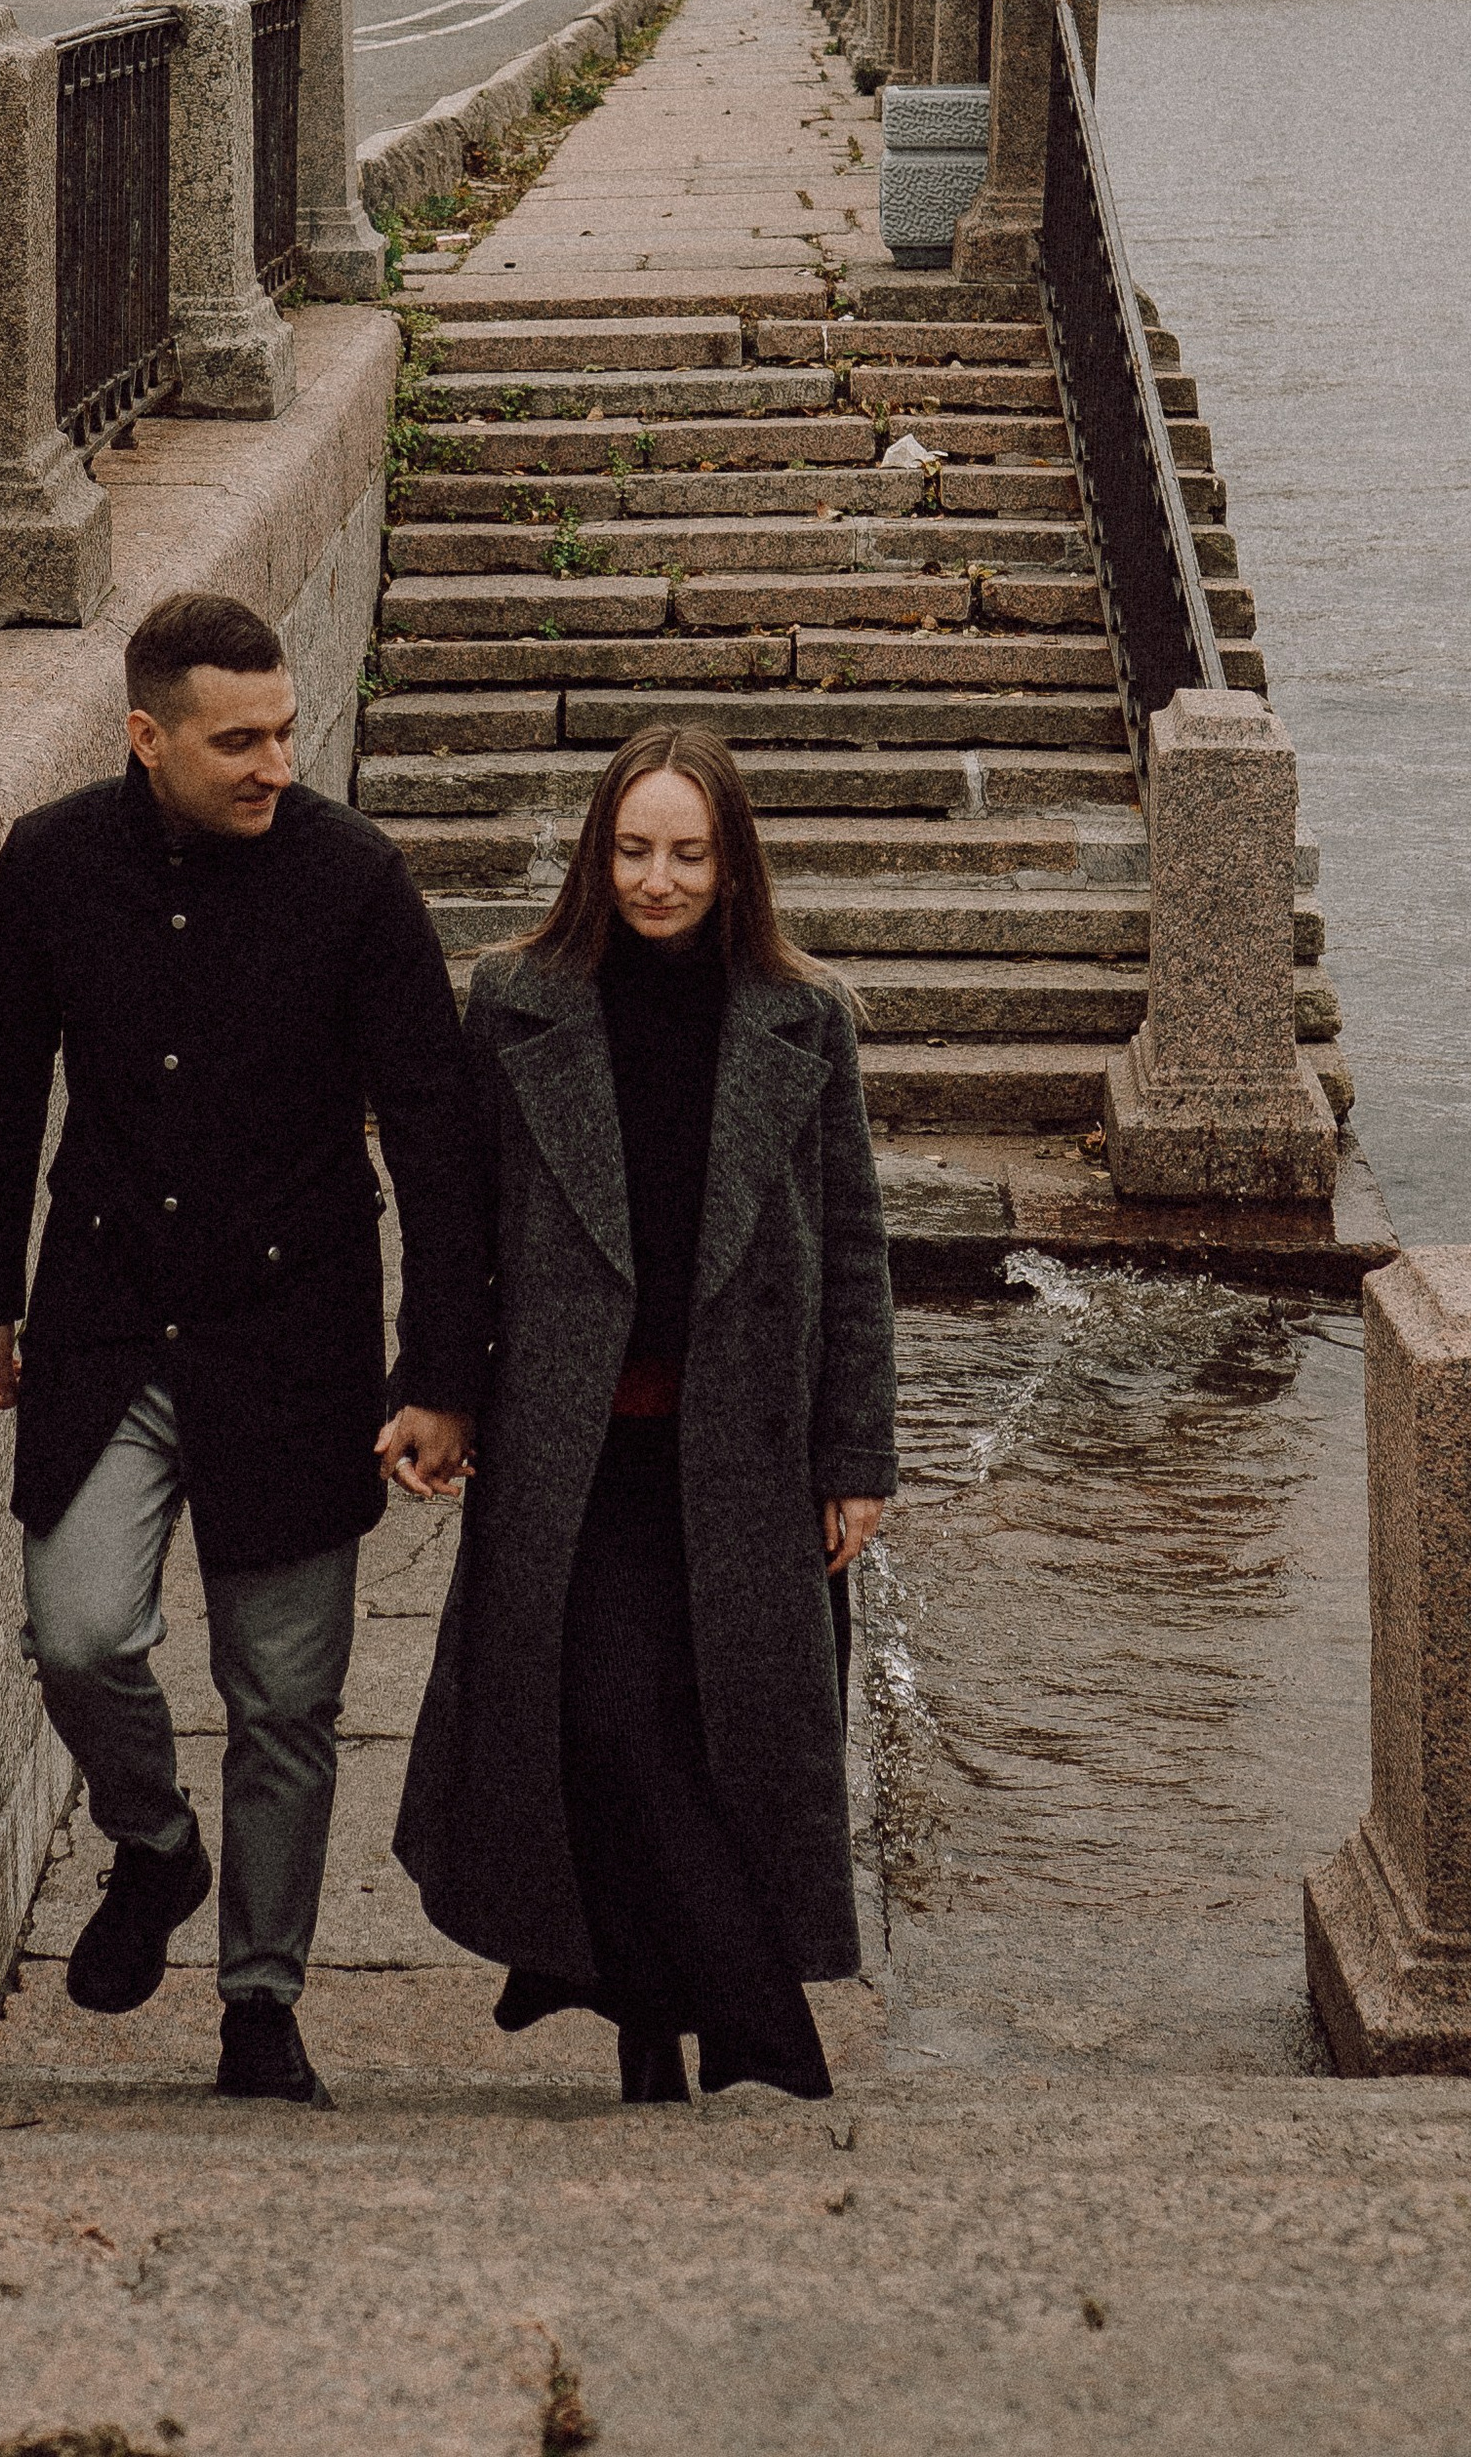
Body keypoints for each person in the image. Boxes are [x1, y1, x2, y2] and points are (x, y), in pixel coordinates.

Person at [0, 589, 487, 2110]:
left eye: (285, 733)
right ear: (146, 738)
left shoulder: (356, 881)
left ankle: (263, 2000)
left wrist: (444, 1374)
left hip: (296, 1337)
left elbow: (438, 1137)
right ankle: (156, 1845)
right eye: (236, 739)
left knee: (285, 1702)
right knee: (80, 1630)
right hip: (111, 1319)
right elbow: (2, 1088)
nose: (272, 763)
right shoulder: (52, 867)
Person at [394, 724, 894, 2104]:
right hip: (580, 1450)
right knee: (602, 1721)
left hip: (742, 1454)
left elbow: (853, 1246)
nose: (656, 879)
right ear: (594, 851)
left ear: (735, 864)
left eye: (686, 852)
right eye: (632, 849)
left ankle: (648, 2039)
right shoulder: (516, 1003)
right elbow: (459, 1225)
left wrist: (855, 1457)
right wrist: (435, 1389)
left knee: (709, 1739)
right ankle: (766, 2034)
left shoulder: (805, 1020)